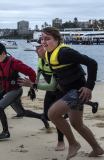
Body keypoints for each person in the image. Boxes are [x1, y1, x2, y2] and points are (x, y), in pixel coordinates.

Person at [34, 27, 103, 159]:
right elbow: (58, 69)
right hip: (68, 90)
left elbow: (92, 63)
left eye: (47, 39)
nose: (43, 42)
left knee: (53, 113)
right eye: (42, 38)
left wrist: (89, 86)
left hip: (79, 91)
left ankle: (73, 143)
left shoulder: (64, 52)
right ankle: (97, 148)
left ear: (57, 40)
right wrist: (59, 81)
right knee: (77, 124)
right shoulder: (48, 53)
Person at [0, 42, 49, 139]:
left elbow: (31, 72)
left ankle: (5, 132)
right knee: (22, 113)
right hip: (7, 90)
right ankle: (41, 117)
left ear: (3, 53)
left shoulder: (14, 62)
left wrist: (32, 87)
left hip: (16, 90)